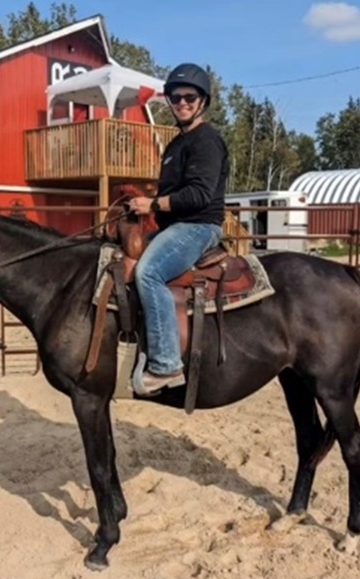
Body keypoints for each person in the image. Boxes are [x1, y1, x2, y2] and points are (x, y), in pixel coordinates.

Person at [128, 62, 230, 396]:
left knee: (149, 272)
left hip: (198, 226)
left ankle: (167, 364)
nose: (182, 103)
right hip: (177, 225)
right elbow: (173, 192)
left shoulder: (206, 141)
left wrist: (154, 205)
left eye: (190, 96)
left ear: (203, 101)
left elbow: (199, 195)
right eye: (175, 97)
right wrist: (145, 204)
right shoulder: (175, 146)